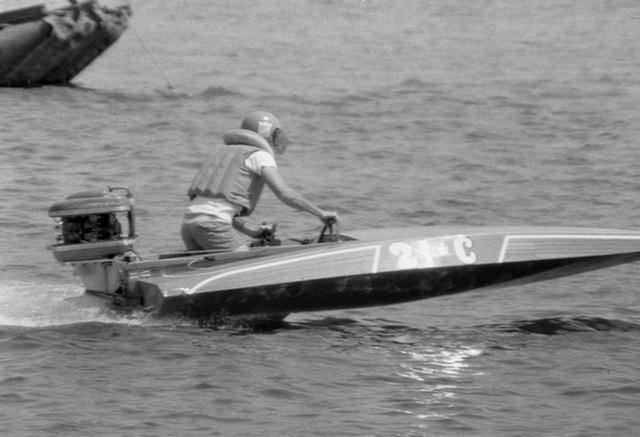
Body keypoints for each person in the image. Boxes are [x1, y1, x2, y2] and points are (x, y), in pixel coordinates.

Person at [181, 111, 338, 251]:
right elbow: (284, 193)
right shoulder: (259, 156)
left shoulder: (222, 154)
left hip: (188, 226)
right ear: (267, 134)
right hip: (212, 226)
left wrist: (253, 232)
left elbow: (215, 207)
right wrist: (320, 213)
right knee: (244, 264)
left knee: (209, 267)